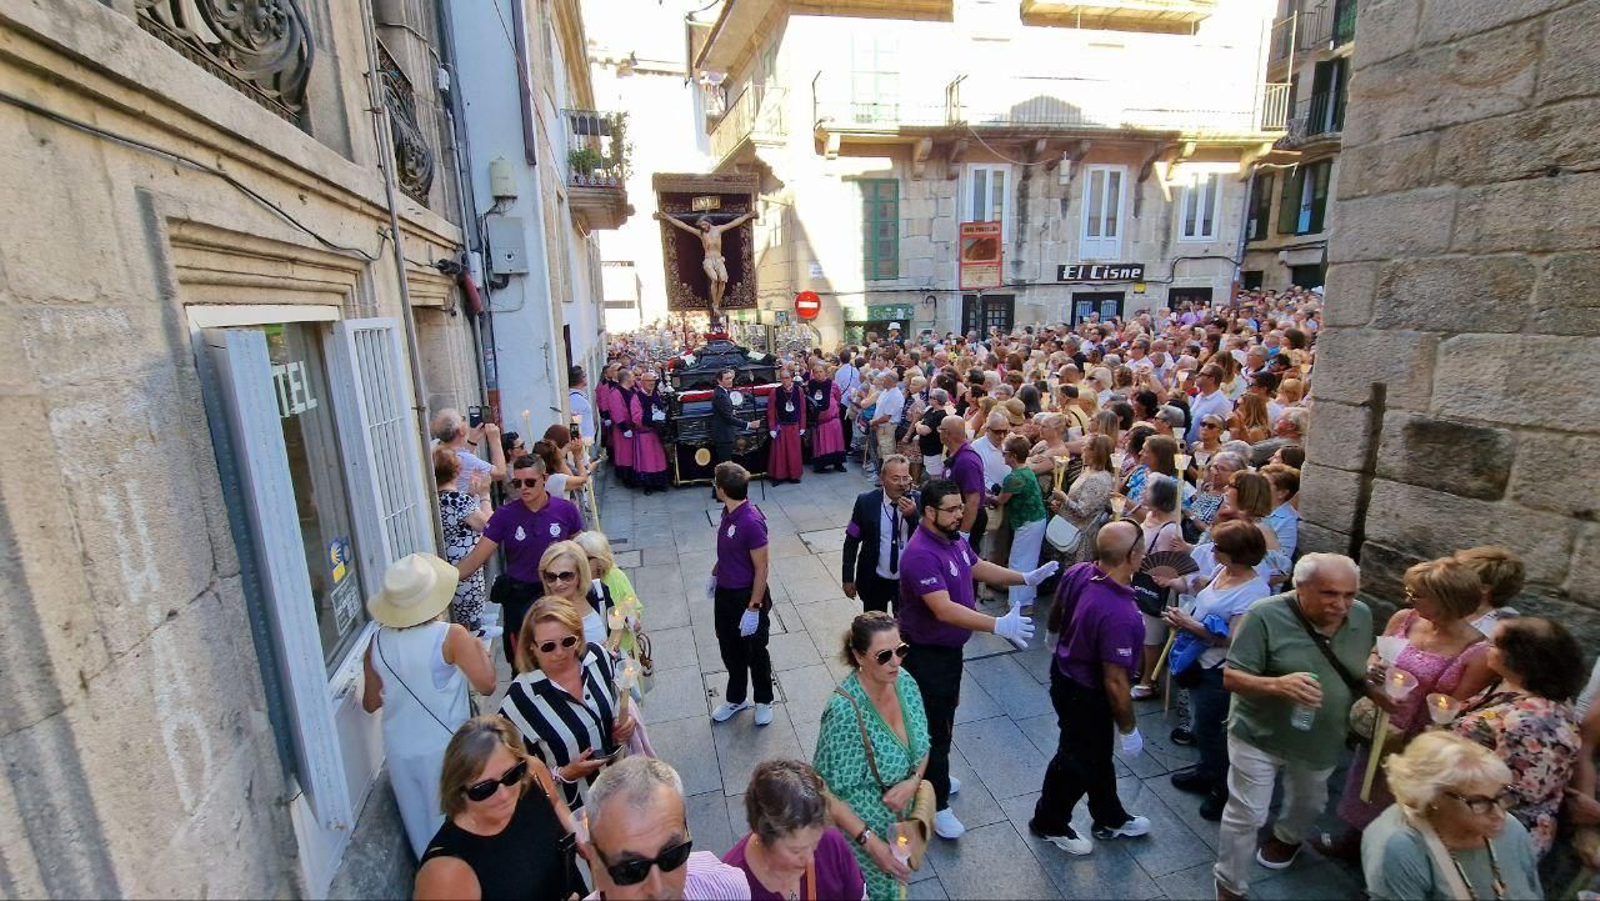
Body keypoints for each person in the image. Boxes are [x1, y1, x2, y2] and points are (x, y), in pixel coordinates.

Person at [896, 478, 1053, 839]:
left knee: (945, 719)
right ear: (930, 512)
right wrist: (996, 624)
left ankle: (935, 774)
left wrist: (1024, 576)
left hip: (949, 653)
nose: (960, 515)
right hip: (927, 656)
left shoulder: (951, 539)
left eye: (960, 508)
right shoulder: (921, 554)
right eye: (951, 510)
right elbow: (943, 609)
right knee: (935, 726)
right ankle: (935, 804)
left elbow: (977, 566)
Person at [1213, 554, 1374, 901]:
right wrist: (1278, 685)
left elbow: (1358, 671)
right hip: (1258, 732)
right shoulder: (1264, 614)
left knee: (1311, 802)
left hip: (1321, 736)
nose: (1342, 605)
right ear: (1300, 588)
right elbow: (1230, 677)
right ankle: (1229, 885)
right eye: (1330, 594)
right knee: (1247, 813)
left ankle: (1287, 838)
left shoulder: (1361, 616)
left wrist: (1378, 691)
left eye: (1350, 594)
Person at [1319, 558, 1495, 862]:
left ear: (1445, 601)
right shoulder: (1405, 619)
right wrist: (1373, 671)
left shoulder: (1478, 650)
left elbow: (1459, 704)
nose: (1407, 599)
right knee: (1364, 781)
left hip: (1420, 736)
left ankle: (1384, 862)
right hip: (1382, 721)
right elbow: (1378, 654)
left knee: (1403, 799)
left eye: (1416, 594)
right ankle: (1353, 841)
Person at [1030, 521, 1153, 856]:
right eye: (1141, 549)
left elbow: (1058, 608)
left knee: (1096, 754)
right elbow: (1115, 680)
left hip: (1064, 675)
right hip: (1087, 692)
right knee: (1076, 759)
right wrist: (1128, 728)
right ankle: (1049, 822)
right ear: (1131, 556)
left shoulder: (1080, 571)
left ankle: (1109, 816)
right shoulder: (1119, 614)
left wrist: (1053, 636)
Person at [361, 554, 497, 858]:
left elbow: (371, 703)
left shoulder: (376, 643)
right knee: (462, 828)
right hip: (447, 747)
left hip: (400, 750)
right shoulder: (450, 636)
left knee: (424, 838)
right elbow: (487, 683)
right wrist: (479, 649)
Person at [1161, 521, 1271, 821]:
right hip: (1199, 659)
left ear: (1235, 553)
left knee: (1211, 730)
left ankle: (1222, 788)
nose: (1212, 549)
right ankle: (1205, 770)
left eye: (1218, 547)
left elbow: (1235, 638)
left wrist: (1189, 625)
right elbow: (1205, 604)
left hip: (1219, 669)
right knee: (1201, 724)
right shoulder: (1223, 572)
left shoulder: (1253, 592)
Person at [1448, 617, 1583, 857]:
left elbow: (1512, 792)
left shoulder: (1538, 723)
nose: (1484, 646)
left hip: (1490, 840)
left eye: (1493, 643)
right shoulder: (1511, 687)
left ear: (1520, 659)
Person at [813, 612, 926, 901]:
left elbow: (924, 746)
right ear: (859, 656)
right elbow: (822, 790)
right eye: (884, 655)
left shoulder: (905, 682)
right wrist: (872, 844)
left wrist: (913, 782)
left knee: (898, 885)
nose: (896, 662)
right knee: (875, 892)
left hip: (902, 821)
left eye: (901, 650)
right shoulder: (844, 712)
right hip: (864, 835)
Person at [415, 716, 581, 901]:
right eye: (484, 788)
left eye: (511, 775)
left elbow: (555, 802)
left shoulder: (531, 774)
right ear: (457, 790)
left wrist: (582, 837)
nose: (504, 795)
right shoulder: (447, 872)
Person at [1361, 732, 1542, 901]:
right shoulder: (1401, 848)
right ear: (1433, 798)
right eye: (1478, 802)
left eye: (1501, 796)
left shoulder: (1512, 830)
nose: (1498, 813)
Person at [499, 596, 634, 820]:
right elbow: (511, 773)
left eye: (568, 642)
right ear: (532, 648)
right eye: (548, 646)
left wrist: (623, 725)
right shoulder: (518, 701)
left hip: (619, 791)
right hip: (571, 813)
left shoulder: (597, 658)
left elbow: (611, 709)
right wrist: (563, 774)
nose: (560, 652)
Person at [456, 455, 585, 668]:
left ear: (544, 478)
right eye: (517, 483)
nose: (523, 488)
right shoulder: (504, 516)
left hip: (557, 595)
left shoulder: (566, 510)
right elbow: (477, 558)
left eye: (530, 482)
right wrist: (446, 578)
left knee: (564, 658)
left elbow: (579, 553)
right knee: (524, 664)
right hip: (520, 599)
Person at [580, 757, 751, 901]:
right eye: (631, 869)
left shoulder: (725, 889)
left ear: (687, 833)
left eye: (672, 855)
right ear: (595, 860)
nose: (658, 890)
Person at [724, 760, 867, 901]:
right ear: (763, 837)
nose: (809, 859)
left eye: (814, 844)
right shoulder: (729, 888)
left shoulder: (831, 842)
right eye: (796, 851)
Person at [709, 462, 775, 725]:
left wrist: (753, 607)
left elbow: (762, 567)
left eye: (716, 483)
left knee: (755, 651)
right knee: (729, 648)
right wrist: (714, 574)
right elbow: (727, 552)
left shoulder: (751, 521)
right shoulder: (728, 512)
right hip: (725, 593)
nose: (714, 487)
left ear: (723, 489)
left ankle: (764, 700)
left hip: (746, 595)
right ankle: (736, 698)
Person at [841, 455, 919, 614]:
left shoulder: (918, 501)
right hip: (874, 579)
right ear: (883, 478)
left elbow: (928, 537)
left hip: (906, 581)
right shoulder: (866, 502)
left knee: (907, 630)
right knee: (875, 629)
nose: (902, 484)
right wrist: (848, 577)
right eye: (896, 479)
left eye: (906, 478)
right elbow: (852, 540)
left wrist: (913, 516)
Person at [655, 209, 758, 323]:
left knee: (723, 280)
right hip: (708, 260)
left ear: (708, 222)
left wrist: (748, 215)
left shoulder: (718, 229)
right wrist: (667, 217)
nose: (703, 227)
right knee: (714, 279)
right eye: (701, 225)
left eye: (704, 224)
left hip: (719, 260)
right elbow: (683, 226)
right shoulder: (701, 234)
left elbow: (734, 223)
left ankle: (716, 304)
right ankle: (715, 304)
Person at [434, 446, 490, 631]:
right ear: (457, 470)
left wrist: (471, 494)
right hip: (465, 567)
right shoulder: (458, 499)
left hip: (447, 564)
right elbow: (489, 526)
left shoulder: (437, 499)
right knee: (467, 624)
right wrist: (484, 496)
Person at [997, 435, 1048, 611]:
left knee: (1018, 562)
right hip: (1035, 521)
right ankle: (1025, 601)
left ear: (1012, 455)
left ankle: (1017, 605)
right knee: (1028, 561)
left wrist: (988, 497)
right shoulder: (1026, 471)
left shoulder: (1014, 478)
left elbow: (1000, 500)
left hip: (1028, 523)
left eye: (1005, 453)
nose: (1003, 456)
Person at [536, 540, 615, 647]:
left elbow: (614, 629)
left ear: (580, 573)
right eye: (551, 577)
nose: (558, 583)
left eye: (566, 576)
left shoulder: (599, 592)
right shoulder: (543, 613)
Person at [939, 414, 989, 551]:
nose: (939, 433)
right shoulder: (955, 454)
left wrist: (963, 533)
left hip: (967, 520)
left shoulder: (966, 461)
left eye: (940, 429)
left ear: (947, 434)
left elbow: (972, 500)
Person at [1453, 546, 1524, 637]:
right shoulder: (1453, 609)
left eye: (1458, 577)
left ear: (1484, 588)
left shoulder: (1495, 632)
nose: (1448, 579)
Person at [432, 407, 507, 485]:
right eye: (463, 419)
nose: (466, 421)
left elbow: (459, 453)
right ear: (461, 430)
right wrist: (495, 440)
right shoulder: (466, 459)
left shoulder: (435, 446)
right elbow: (500, 473)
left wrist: (472, 441)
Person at [631, 370, 672, 494]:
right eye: (649, 381)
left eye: (653, 381)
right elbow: (636, 416)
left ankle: (660, 483)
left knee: (659, 459)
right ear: (642, 382)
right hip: (645, 433)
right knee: (647, 461)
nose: (652, 384)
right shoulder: (636, 397)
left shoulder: (656, 393)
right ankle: (648, 486)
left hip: (657, 432)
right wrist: (651, 419)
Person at [766, 363, 806, 484]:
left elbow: (803, 409)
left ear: (792, 377)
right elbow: (771, 411)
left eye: (787, 378)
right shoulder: (775, 392)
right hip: (781, 427)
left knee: (794, 453)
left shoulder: (799, 390)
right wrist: (772, 428)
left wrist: (802, 426)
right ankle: (779, 476)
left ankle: (794, 475)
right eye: (782, 378)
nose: (784, 380)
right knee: (780, 454)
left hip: (794, 426)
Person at [806, 361, 848, 474]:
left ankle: (838, 463)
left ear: (825, 372)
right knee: (820, 445)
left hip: (832, 420)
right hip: (818, 421)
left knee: (836, 442)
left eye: (821, 372)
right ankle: (820, 465)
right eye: (816, 372)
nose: (819, 374)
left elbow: (838, 397)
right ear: (813, 374)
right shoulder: (810, 384)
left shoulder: (833, 384)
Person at [915, 386, 952, 478]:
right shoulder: (931, 410)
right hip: (926, 449)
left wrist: (918, 425)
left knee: (935, 476)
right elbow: (922, 421)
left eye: (931, 397)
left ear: (937, 400)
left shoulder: (940, 414)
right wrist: (920, 425)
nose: (929, 398)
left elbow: (925, 430)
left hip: (934, 450)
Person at [569, 365, 598, 450]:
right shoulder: (575, 399)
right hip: (583, 443)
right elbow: (574, 422)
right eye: (584, 375)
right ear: (580, 379)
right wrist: (577, 442)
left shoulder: (579, 397)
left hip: (587, 441)